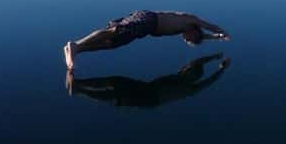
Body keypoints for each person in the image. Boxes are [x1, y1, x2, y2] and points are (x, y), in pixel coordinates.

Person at [63, 10, 229, 70]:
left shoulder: (184, 30)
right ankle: (76, 45)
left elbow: (203, 36)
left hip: (145, 29)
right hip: (148, 19)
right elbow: (208, 26)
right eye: (189, 40)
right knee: (115, 31)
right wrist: (222, 32)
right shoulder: (189, 20)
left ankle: (78, 50)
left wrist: (217, 38)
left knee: (112, 44)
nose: (185, 40)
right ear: (195, 32)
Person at [65, 53, 231, 107]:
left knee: (115, 96)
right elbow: (198, 62)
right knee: (114, 81)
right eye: (186, 68)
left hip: (150, 98)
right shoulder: (184, 75)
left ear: (192, 75)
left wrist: (221, 68)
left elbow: (209, 81)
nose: (184, 68)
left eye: (187, 70)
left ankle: (81, 90)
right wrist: (215, 57)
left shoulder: (190, 88)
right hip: (147, 88)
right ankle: (81, 84)